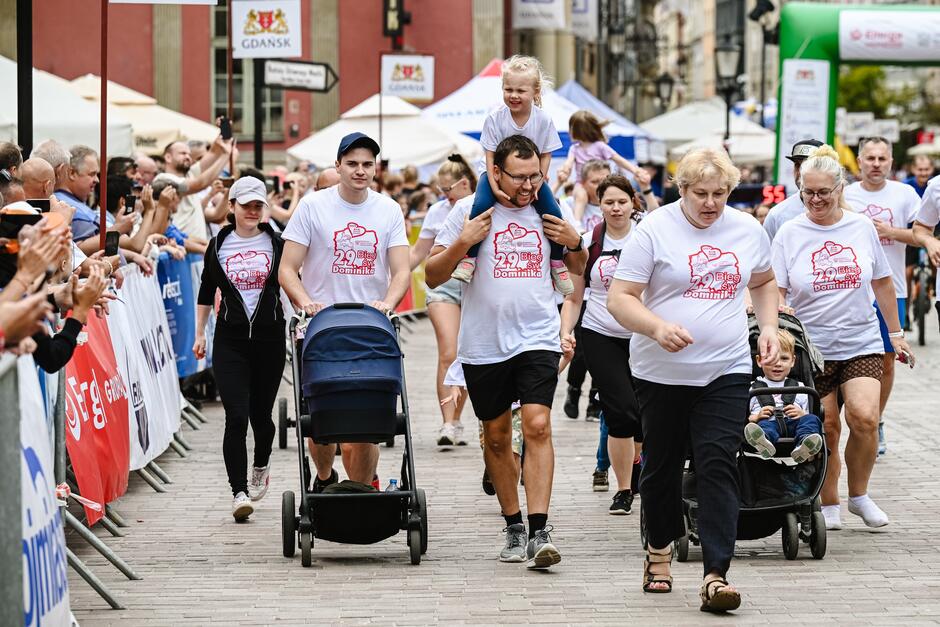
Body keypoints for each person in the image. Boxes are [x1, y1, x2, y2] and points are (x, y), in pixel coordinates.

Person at [607, 147, 780, 611]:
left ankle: (716, 574)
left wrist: (768, 329)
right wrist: (656, 326)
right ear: (681, 189)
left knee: (717, 461)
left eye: (720, 194)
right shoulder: (654, 230)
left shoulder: (746, 228)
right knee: (662, 466)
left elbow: (763, 283)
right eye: (700, 193)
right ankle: (659, 551)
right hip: (659, 371)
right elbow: (620, 298)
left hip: (725, 366)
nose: (710, 203)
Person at [425, 134, 587, 570]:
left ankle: (540, 530)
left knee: (537, 425)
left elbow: (577, 269)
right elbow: (433, 276)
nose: (529, 185)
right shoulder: (468, 210)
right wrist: (463, 241)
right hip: (483, 343)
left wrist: (575, 242)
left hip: (537, 335)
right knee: (496, 437)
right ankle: (513, 525)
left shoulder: (549, 209)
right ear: (495, 172)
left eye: (536, 175)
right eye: (519, 177)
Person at [772, 144, 915, 531]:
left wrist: (897, 335)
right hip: (810, 346)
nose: (816, 200)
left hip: (860, 338)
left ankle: (860, 495)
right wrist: (779, 314)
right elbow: (777, 288)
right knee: (827, 425)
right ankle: (828, 499)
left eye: (824, 192)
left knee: (865, 417)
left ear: (840, 190)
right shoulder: (789, 232)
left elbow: (883, 282)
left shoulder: (860, 227)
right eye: (808, 192)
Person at [279, 132, 411, 491]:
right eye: (352, 163)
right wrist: (305, 301)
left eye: (367, 164)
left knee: (367, 419)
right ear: (337, 166)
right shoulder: (312, 207)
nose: (360, 171)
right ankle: (324, 478)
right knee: (321, 421)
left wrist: (387, 303)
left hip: (369, 328)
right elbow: (287, 267)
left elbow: (401, 270)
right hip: (320, 328)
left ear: (376, 169)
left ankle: (358, 492)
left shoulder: (387, 210)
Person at [193, 176, 286, 521]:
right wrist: (200, 333)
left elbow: (291, 283)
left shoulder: (278, 244)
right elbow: (205, 291)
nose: (251, 210)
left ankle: (260, 463)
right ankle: (238, 492)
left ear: (264, 208)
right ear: (231, 206)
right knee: (236, 417)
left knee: (261, 418)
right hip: (230, 340)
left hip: (269, 339)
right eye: (245, 204)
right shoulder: (217, 245)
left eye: (257, 205)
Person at [451, 56, 572, 295]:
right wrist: (494, 186)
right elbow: (489, 153)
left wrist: (539, 180)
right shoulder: (496, 118)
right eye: (508, 89)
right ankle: (470, 258)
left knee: (553, 213)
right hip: (495, 172)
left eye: (520, 90)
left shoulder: (543, 119)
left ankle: (557, 262)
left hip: (533, 176)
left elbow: (546, 154)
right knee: (481, 206)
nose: (513, 95)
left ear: (535, 91)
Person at [561, 174, 643, 514]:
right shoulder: (589, 241)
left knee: (644, 413)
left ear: (632, 203)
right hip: (599, 333)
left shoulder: (647, 238)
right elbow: (574, 296)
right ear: (599, 204)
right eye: (608, 202)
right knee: (620, 410)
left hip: (643, 335)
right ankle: (624, 489)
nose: (616, 208)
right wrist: (566, 332)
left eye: (622, 201)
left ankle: (641, 471)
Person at [843, 136, 920, 457]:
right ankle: (851, 417)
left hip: (893, 290)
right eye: (870, 158)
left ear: (891, 162)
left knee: (887, 362)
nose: (876, 164)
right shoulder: (845, 194)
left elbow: (922, 235)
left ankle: (877, 420)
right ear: (859, 161)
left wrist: (890, 232)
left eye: (882, 159)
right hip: (851, 290)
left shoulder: (905, 194)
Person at [409, 154, 477, 446]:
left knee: (469, 353)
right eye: (440, 190)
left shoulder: (479, 205)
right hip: (444, 288)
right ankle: (448, 422)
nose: (443, 195)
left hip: (476, 287)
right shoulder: (438, 211)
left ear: (464, 184)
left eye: (447, 189)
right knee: (449, 352)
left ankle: (458, 418)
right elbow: (418, 253)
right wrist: (392, 277)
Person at [557, 110, 658, 225]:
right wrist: (565, 169)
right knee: (581, 197)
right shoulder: (575, 149)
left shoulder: (600, 146)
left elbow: (618, 159)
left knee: (609, 195)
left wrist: (635, 170)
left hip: (603, 184)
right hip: (581, 183)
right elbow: (569, 163)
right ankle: (576, 224)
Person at [744, 329, 824, 463]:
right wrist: (756, 417)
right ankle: (764, 442)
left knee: (812, 419)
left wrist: (801, 414)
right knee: (762, 427)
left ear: (793, 361)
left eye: (784, 358)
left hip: (795, 425)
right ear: (759, 360)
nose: (778, 363)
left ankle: (805, 444)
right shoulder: (753, 387)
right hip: (768, 423)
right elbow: (745, 416)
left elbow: (808, 413)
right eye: (771, 358)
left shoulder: (800, 387)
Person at [155, 137, 231, 240]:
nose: (187, 157)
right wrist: (225, 156)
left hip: (196, 246)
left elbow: (212, 153)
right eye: (182, 153)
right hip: (180, 247)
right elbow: (199, 184)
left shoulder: (190, 174)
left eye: (189, 154)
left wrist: (222, 136)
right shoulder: (163, 179)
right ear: (168, 157)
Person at [762, 139, 823, 241]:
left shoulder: (842, 210)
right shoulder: (777, 215)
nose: (801, 172)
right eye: (797, 165)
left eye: (808, 165)